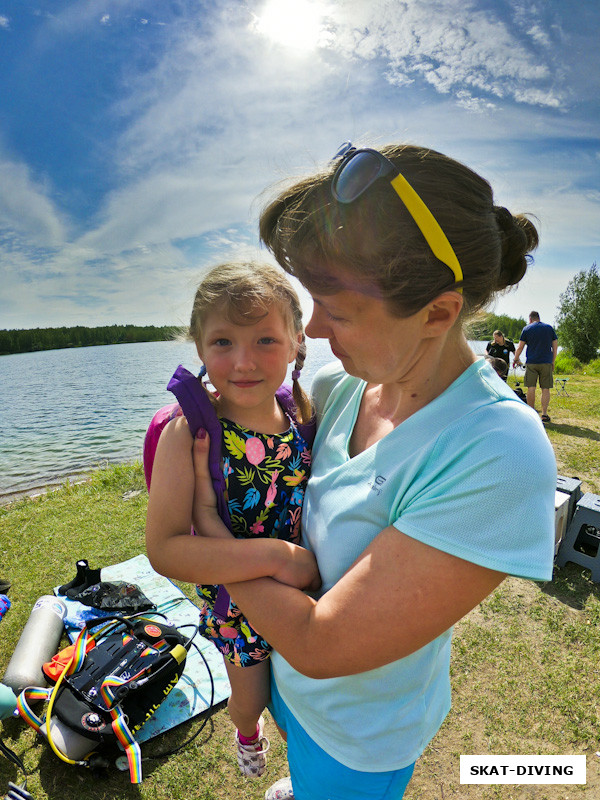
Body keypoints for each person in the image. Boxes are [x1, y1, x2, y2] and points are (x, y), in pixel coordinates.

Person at [158, 143, 557, 800]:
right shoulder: (339, 386)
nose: (311, 329)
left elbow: (321, 642)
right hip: (286, 684)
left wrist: (211, 537)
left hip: (358, 739)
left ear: (438, 312)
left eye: (337, 312)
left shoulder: (497, 450)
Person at [145, 261, 319, 780]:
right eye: (223, 342)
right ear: (199, 348)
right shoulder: (190, 433)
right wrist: (276, 556)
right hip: (236, 605)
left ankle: (308, 779)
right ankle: (246, 734)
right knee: (253, 698)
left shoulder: (299, 413)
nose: (244, 362)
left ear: (296, 344)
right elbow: (166, 549)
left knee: (304, 708)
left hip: (303, 595)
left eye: (266, 340)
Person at [513, 311, 558, 422]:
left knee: (531, 388)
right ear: (539, 318)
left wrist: (515, 359)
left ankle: (531, 414)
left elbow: (520, 347)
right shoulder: (549, 328)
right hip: (546, 362)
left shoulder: (527, 329)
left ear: (530, 319)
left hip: (532, 362)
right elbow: (555, 348)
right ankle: (544, 414)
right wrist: (552, 361)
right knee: (545, 389)